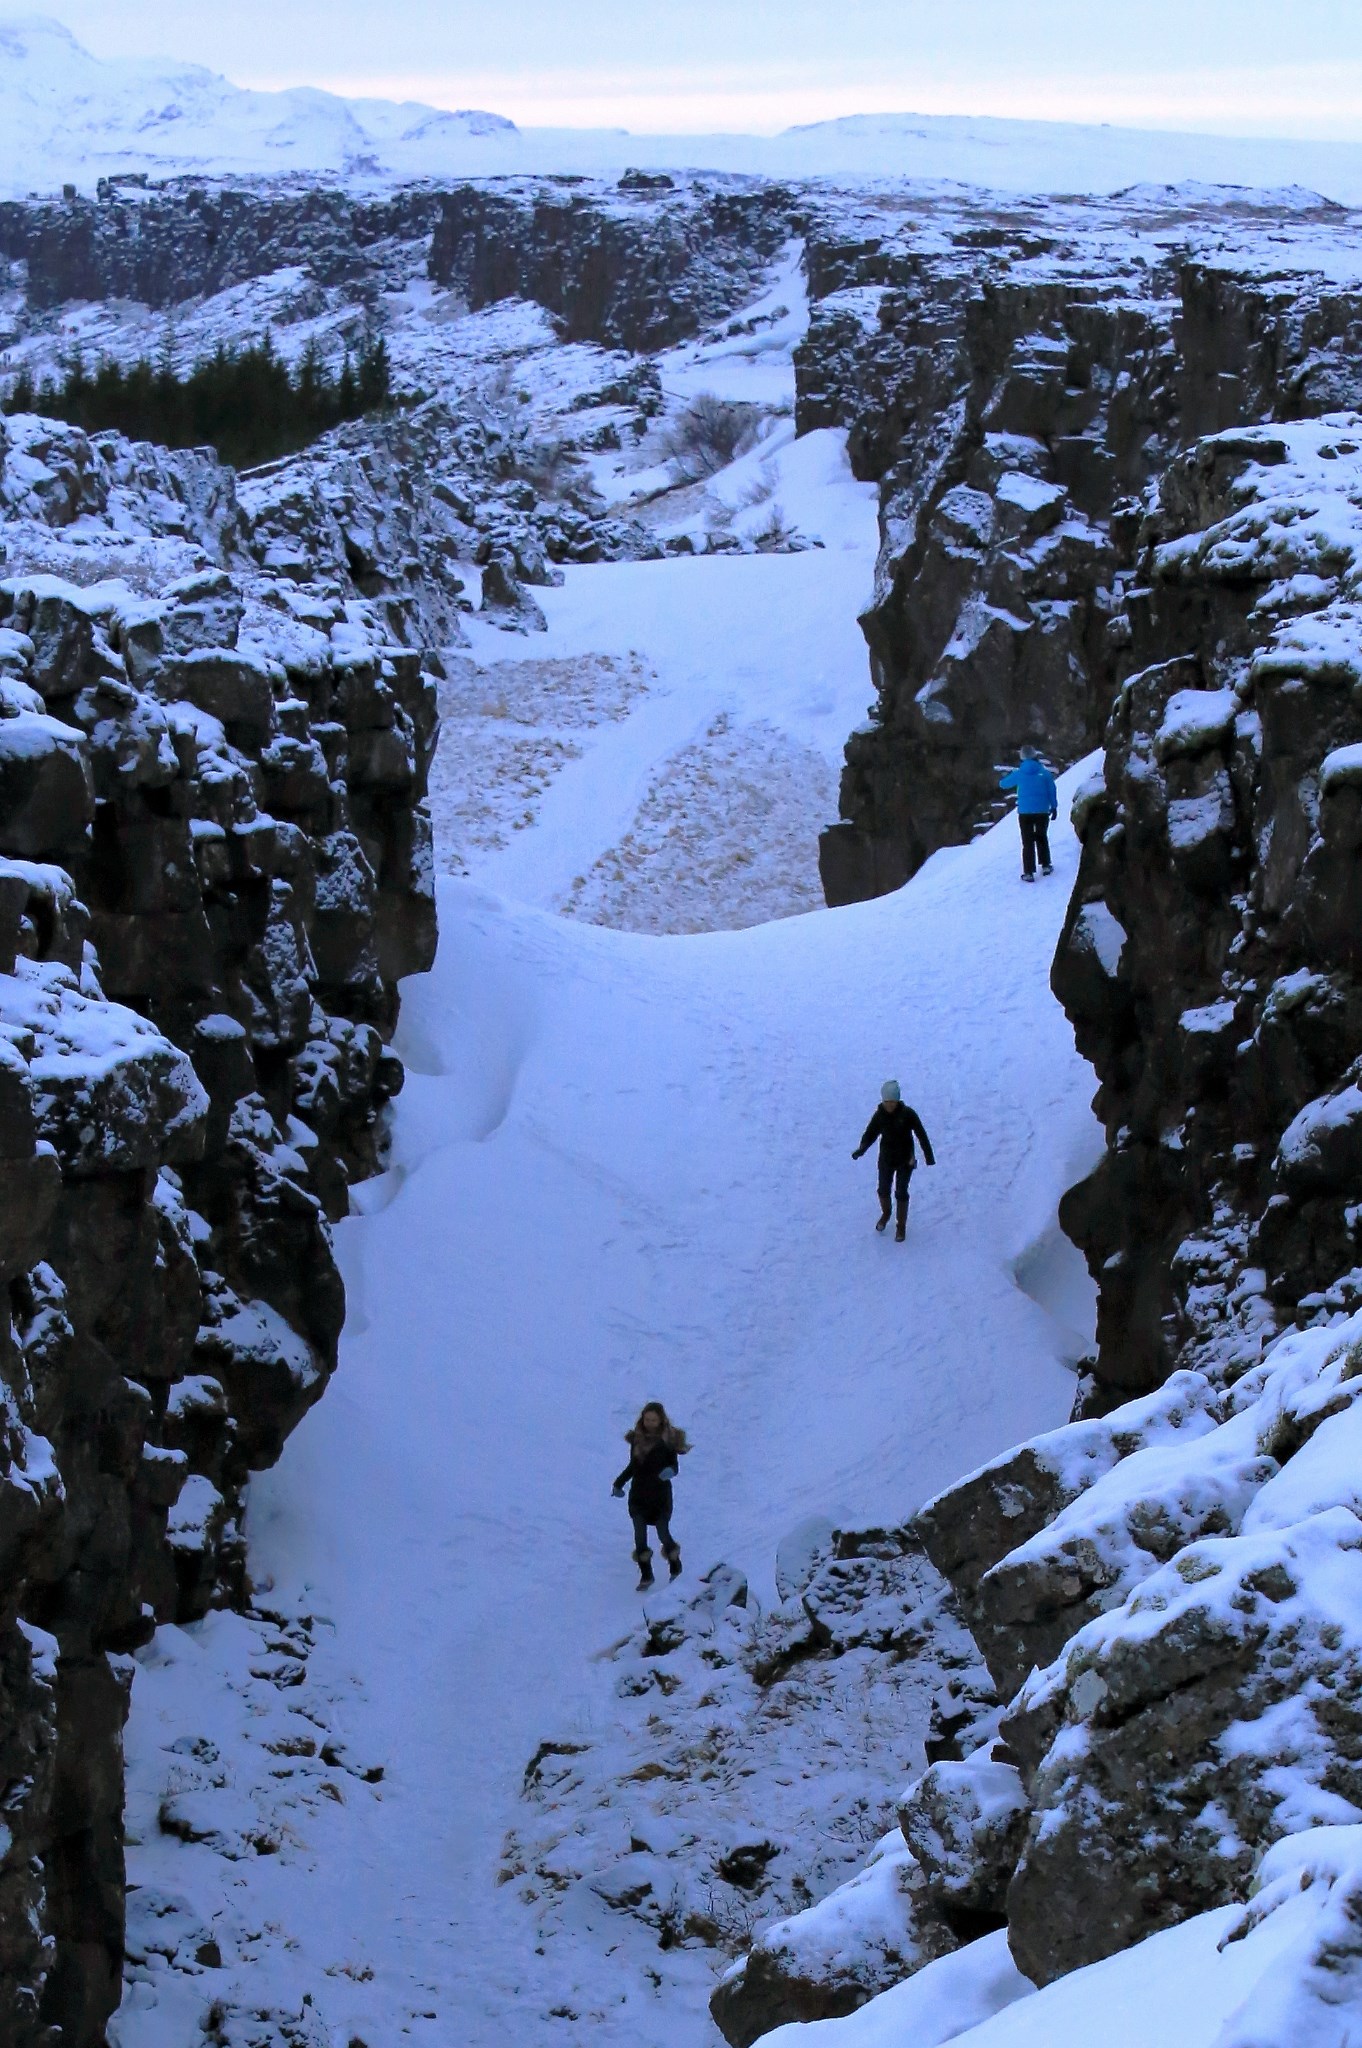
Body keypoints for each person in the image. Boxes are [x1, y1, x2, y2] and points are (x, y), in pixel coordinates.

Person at [612, 1402, 690, 1589]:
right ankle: (646, 1575)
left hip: (660, 1496)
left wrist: (670, 1471)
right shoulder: (637, 1439)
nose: (650, 1423)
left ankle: (675, 1567)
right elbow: (633, 1466)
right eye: (647, 1419)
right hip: (638, 1495)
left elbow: (674, 1465)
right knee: (639, 1535)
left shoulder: (667, 1439)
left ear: (661, 1420)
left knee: (663, 1531)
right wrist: (618, 1483)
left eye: (653, 1420)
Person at [852, 1081, 935, 1241]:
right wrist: (861, 1149)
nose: (889, 1105)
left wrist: (928, 1156)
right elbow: (870, 1133)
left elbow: (921, 1135)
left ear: (897, 1100)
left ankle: (901, 1225)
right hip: (886, 1159)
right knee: (883, 1189)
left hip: (905, 1160)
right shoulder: (879, 1116)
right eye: (886, 1102)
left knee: (901, 1192)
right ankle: (886, 1213)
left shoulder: (908, 1114)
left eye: (892, 1102)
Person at [999, 745, 1059, 881]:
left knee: (1027, 841)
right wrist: (1054, 807)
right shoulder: (1044, 773)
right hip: (1042, 811)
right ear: (1034, 755)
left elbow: (1003, 784)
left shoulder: (1019, 773)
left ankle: (1028, 872)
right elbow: (1052, 790)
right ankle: (1046, 865)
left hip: (1025, 812)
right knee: (1041, 837)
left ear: (1022, 757)